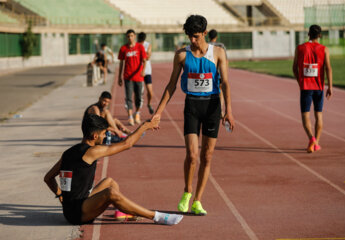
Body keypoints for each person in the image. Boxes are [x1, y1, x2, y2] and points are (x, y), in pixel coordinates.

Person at [152, 15, 235, 215]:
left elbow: (224, 83)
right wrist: (159, 113)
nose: (192, 40)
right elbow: (171, 85)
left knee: (207, 156)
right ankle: (187, 191)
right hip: (192, 106)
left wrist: (228, 111)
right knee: (192, 155)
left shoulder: (219, 53)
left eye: (196, 36)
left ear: (205, 33)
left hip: (213, 107)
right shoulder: (181, 55)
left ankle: (198, 200)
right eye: (189, 36)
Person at [44, 114, 183, 225]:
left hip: (72, 208)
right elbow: (127, 144)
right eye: (104, 134)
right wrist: (144, 126)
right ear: (95, 136)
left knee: (109, 182)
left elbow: (48, 178)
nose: (105, 137)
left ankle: (121, 213)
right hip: (78, 214)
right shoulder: (92, 151)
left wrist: (61, 196)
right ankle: (156, 216)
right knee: (110, 193)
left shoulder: (68, 152)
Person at [292, 24, 333, 153]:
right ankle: (316, 143)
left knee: (305, 115)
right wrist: (330, 86)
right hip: (319, 87)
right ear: (320, 35)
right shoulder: (324, 49)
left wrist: (300, 82)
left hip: (306, 87)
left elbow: (294, 68)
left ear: (308, 34)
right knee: (318, 115)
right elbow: (328, 68)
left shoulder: (299, 48)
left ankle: (311, 139)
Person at [118, 29, 147, 126]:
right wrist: (119, 77)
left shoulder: (140, 47)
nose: (130, 38)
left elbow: (144, 60)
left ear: (134, 36)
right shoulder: (123, 48)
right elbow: (121, 63)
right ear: (126, 37)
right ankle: (130, 116)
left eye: (131, 35)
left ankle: (137, 113)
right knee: (129, 97)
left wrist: (143, 71)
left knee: (139, 97)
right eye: (128, 36)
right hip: (127, 77)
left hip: (138, 77)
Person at [208, 29, 228, 117]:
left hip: (209, 72)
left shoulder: (207, 45)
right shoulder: (221, 45)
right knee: (221, 92)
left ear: (208, 37)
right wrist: (225, 72)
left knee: (209, 91)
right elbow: (226, 60)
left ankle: (208, 111)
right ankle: (220, 110)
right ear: (216, 37)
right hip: (220, 72)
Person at [137, 32, 154, 114]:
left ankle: (149, 104)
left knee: (150, 92)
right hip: (137, 71)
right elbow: (145, 56)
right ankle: (137, 111)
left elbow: (148, 57)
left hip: (147, 71)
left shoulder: (148, 45)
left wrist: (139, 56)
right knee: (139, 92)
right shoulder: (135, 45)